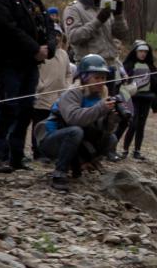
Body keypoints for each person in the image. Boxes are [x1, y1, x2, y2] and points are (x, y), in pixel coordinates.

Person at [0, 0, 57, 173]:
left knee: (26, 109)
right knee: (8, 107)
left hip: (30, 63)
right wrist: (35, 48)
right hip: (10, 62)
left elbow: (47, 22)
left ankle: (16, 155)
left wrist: (50, 47)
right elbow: (8, 29)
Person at [34, 54, 121, 191]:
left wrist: (111, 120)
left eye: (103, 78)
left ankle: (82, 163)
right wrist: (101, 108)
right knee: (75, 131)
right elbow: (74, 119)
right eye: (96, 77)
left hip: (75, 137)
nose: (100, 82)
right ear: (85, 77)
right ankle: (59, 173)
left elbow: (101, 128)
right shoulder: (72, 93)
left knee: (111, 138)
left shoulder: (100, 97)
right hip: (51, 138)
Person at [62, 0, 128, 62]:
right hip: (90, 67)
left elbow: (122, 35)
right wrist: (98, 21)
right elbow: (73, 37)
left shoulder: (105, 6)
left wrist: (118, 16)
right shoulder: (73, 9)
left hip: (111, 63)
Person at [120, 40, 157, 159]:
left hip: (147, 98)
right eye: (140, 51)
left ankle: (137, 151)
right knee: (133, 124)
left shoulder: (151, 67)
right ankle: (125, 149)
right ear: (135, 52)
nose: (143, 54)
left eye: (145, 52)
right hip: (133, 98)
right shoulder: (128, 65)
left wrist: (156, 103)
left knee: (141, 125)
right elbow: (122, 83)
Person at [32, 40, 73, 159]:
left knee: (54, 124)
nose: (57, 38)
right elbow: (36, 69)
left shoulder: (64, 54)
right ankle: (37, 151)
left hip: (59, 96)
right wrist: (40, 85)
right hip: (43, 95)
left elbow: (69, 73)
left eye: (59, 35)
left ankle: (52, 151)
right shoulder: (42, 52)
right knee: (39, 125)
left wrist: (67, 86)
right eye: (54, 35)